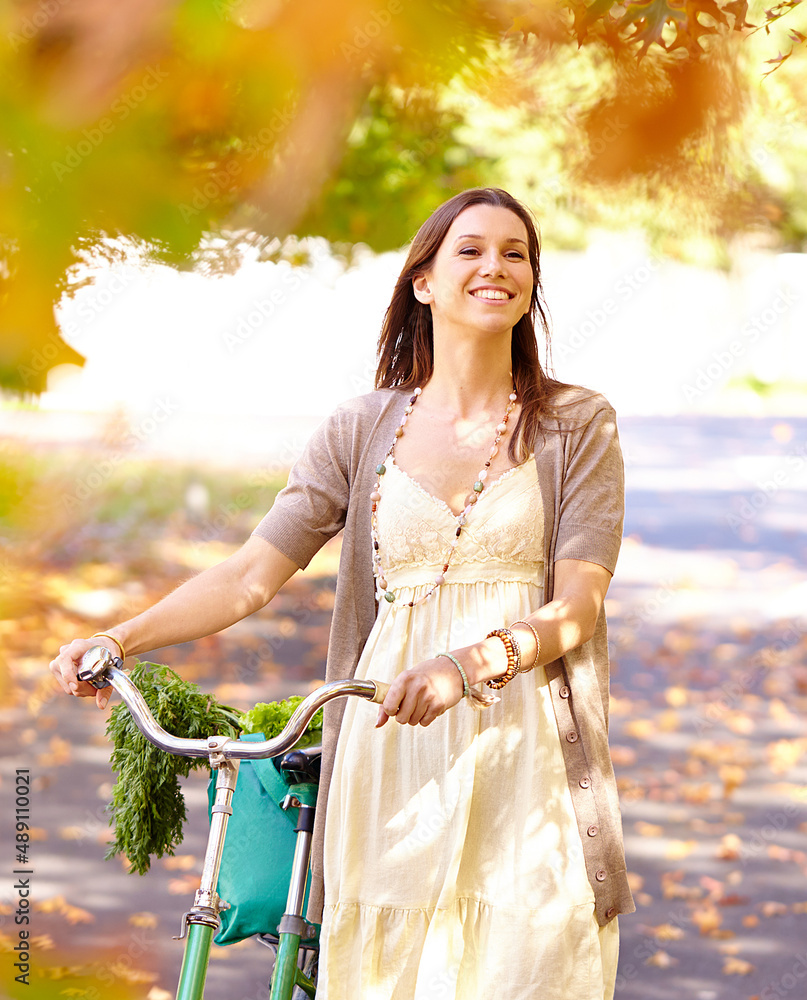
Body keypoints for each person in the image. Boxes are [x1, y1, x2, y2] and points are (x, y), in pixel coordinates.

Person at [50, 187, 634, 999]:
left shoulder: (577, 424)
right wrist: (119, 639)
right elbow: (250, 574)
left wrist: (467, 664)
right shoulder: (361, 427)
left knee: (523, 965)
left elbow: (576, 606)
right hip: (389, 737)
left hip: (524, 749)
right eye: (468, 249)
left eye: (515, 252)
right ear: (422, 281)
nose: (494, 266)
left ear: (531, 281)